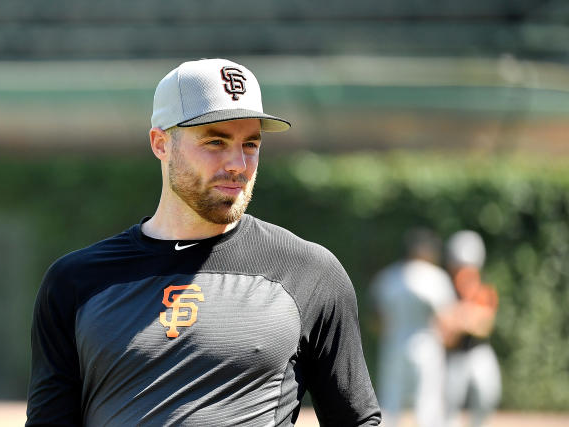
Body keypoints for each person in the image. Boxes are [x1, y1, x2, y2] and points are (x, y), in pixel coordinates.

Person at [26, 58, 381, 426]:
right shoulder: (76, 282)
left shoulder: (309, 272)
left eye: (251, 144)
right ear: (161, 143)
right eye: (216, 141)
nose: (238, 164)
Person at [370, 228, 457, 427]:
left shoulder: (389, 277)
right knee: (428, 405)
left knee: (390, 404)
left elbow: (377, 318)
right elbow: (446, 319)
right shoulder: (436, 278)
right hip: (427, 345)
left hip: (394, 344)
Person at [440, 230, 501, 427]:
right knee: (449, 406)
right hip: (454, 356)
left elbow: (485, 326)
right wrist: (467, 318)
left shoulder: (484, 291)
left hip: (478, 352)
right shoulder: (444, 290)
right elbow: (447, 336)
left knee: (487, 396)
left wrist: (460, 318)